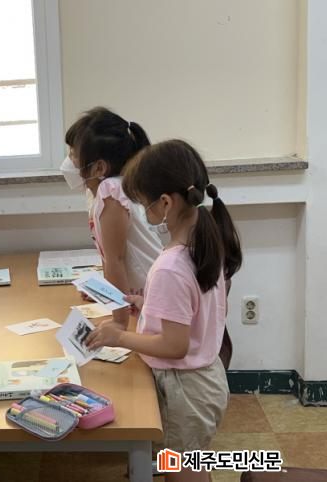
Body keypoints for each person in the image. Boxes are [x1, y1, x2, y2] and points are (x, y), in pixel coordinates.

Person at [86, 139, 242, 482]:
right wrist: (149, 306)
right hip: (203, 380)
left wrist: (119, 337)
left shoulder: (171, 266)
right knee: (190, 464)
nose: (144, 213)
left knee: (183, 470)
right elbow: (197, 310)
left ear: (166, 203)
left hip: (187, 388)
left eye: (145, 205)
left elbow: (174, 345)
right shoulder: (203, 242)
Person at [60, 107, 164, 325]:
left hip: (155, 297)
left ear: (99, 167)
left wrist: (119, 322)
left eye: (74, 154)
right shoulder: (105, 190)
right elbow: (111, 258)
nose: (69, 161)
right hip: (144, 295)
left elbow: (116, 260)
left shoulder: (111, 191)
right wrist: (105, 290)